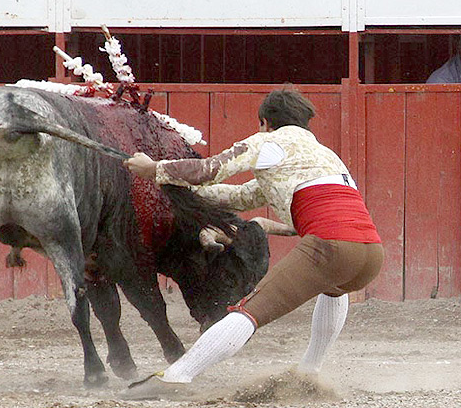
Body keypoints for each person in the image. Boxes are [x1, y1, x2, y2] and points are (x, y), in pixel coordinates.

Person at [121, 88, 384, 400]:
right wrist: (175, 189)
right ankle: (310, 372)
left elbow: (209, 170)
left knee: (248, 312)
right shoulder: (325, 156)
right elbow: (241, 196)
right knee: (334, 287)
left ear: (265, 122)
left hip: (331, 246)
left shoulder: (268, 142)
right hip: (370, 254)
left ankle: (177, 376)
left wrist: (155, 169)